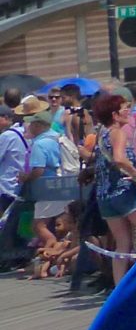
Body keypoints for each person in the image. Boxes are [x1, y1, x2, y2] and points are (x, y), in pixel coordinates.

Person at [88, 90, 136, 284]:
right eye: (124, 108)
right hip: (124, 192)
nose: (128, 110)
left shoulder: (101, 135)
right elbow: (120, 159)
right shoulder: (118, 133)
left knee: (122, 243)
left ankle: (119, 284)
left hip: (105, 196)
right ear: (114, 115)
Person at [24, 101, 80, 279]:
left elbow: (38, 170)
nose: (29, 126)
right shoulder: (57, 136)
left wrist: (24, 177)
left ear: (39, 125)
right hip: (65, 185)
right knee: (63, 224)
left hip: (48, 189)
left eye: (31, 123)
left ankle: (48, 253)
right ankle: (58, 258)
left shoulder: (40, 144)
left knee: (39, 225)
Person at [0, 103, 31, 272]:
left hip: (7, 186)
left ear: (6, 118)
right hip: (20, 185)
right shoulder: (22, 133)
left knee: (7, 226)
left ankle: (7, 259)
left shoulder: (6, 136)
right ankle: (21, 257)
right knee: (21, 225)